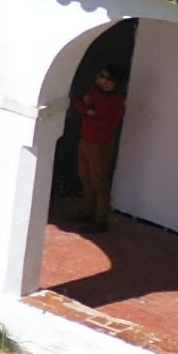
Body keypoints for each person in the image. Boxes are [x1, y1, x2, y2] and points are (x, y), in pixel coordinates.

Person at [66, 64, 126, 230]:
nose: (100, 79)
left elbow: (105, 120)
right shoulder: (93, 92)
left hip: (100, 144)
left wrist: (89, 111)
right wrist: (87, 110)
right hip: (86, 140)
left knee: (99, 182)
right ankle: (87, 209)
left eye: (104, 77)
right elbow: (78, 102)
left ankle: (100, 220)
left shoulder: (116, 100)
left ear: (111, 82)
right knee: (85, 177)